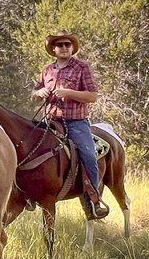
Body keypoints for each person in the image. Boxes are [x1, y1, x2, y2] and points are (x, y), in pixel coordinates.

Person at [31, 30, 109, 220]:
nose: (64, 48)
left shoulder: (82, 67)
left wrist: (69, 93)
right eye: (60, 45)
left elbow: (92, 95)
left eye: (67, 44)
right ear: (54, 49)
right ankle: (27, 193)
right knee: (26, 148)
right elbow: (34, 93)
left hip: (75, 123)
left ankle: (94, 200)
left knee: (89, 155)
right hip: (49, 122)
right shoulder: (47, 70)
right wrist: (39, 92)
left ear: (72, 47)